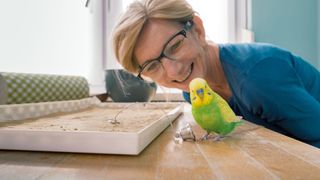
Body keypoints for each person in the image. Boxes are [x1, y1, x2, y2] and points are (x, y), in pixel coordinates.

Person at [112, 0, 320, 147]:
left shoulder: (258, 77)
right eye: (152, 66)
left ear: (198, 30)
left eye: (175, 46)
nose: (173, 71)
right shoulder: (194, 91)